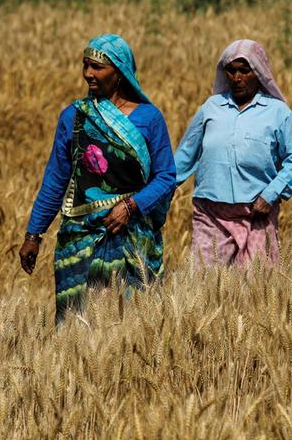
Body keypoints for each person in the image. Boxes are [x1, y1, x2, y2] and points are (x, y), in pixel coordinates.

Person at [19, 34, 176, 323]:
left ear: (119, 71)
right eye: (85, 65)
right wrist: (34, 234)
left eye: (97, 67)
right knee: (76, 326)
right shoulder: (74, 117)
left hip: (131, 236)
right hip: (80, 238)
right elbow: (56, 179)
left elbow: (166, 176)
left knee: (132, 323)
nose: (88, 74)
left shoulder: (149, 118)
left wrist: (131, 207)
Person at [174, 39, 292, 269]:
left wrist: (270, 195)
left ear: (259, 73)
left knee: (255, 287)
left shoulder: (278, 113)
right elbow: (186, 154)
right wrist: (157, 190)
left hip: (256, 212)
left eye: (245, 71)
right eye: (231, 71)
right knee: (204, 284)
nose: (237, 78)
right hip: (211, 211)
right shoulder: (211, 107)